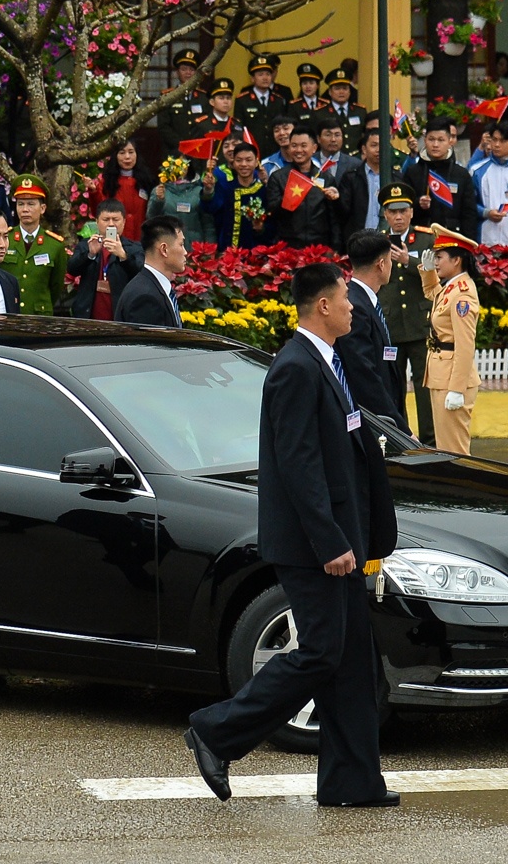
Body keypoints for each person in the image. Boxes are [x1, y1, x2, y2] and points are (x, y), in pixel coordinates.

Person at [184, 262, 397, 809]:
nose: (354, 306)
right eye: (346, 297)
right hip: (314, 547)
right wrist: (330, 543)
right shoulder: (295, 369)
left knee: (352, 663)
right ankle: (216, 730)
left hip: (341, 537)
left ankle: (352, 783)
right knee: (323, 653)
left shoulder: (328, 361)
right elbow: (299, 466)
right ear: (322, 306)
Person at [376, 185, 433, 445]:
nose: (398, 217)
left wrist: (407, 261)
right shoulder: (376, 241)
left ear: (411, 212)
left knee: (425, 387)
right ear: (385, 214)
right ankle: (401, 439)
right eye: (392, 211)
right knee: (394, 388)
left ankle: (430, 440)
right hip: (392, 327)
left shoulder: (425, 239)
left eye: (403, 211)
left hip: (420, 325)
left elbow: (435, 275)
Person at [422, 225, 483, 456]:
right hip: (442, 375)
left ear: (456, 259)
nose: (435, 262)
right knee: (445, 448)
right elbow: (432, 295)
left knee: (454, 451)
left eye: (439, 257)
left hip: (452, 379)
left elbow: (466, 345)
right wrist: (428, 272)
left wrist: (457, 389)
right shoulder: (452, 287)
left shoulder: (463, 293)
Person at [336, 230, 405, 425]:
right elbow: (364, 373)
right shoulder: (356, 306)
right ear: (381, 265)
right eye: (390, 260)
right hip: (374, 419)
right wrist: (398, 426)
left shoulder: (367, 300)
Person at [264, 124, 341, 249]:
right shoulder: (278, 177)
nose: (298, 150)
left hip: (319, 247)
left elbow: (334, 218)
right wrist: (288, 200)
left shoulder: (326, 178)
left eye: (303, 146)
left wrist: (336, 248)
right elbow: (272, 213)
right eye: (294, 146)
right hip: (288, 248)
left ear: (314, 148)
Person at [402, 120, 480, 239]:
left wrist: (468, 245)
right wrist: (418, 204)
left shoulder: (461, 174)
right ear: (425, 140)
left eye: (441, 140)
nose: (435, 144)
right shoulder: (413, 172)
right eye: (431, 139)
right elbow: (403, 205)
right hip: (419, 236)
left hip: (452, 236)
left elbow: (469, 213)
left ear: (450, 142)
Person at [0, 174, 65, 314]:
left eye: (31, 204)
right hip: (8, 312)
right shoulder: (4, 238)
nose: (25, 209)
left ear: (42, 208)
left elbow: (56, 286)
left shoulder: (54, 245)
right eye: (20, 204)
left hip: (39, 315)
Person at [68, 199, 143, 320]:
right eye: (106, 219)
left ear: (124, 222)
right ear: (97, 222)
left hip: (122, 317)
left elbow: (142, 274)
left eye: (116, 219)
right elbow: (72, 269)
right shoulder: (86, 245)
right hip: (88, 316)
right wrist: (90, 254)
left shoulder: (134, 248)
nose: (111, 224)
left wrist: (123, 256)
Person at [114, 215, 184, 328]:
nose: (185, 252)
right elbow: (147, 345)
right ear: (164, 250)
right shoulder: (145, 297)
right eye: (181, 245)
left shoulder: (152, 287)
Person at [87, 140, 153, 241]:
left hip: (141, 239)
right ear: (115, 156)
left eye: (131, 152)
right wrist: (93, 191)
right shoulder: (107, 182)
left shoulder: (146, 180)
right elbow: (99, 210)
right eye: (122, 153)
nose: (127, 157)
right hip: (115, 239)